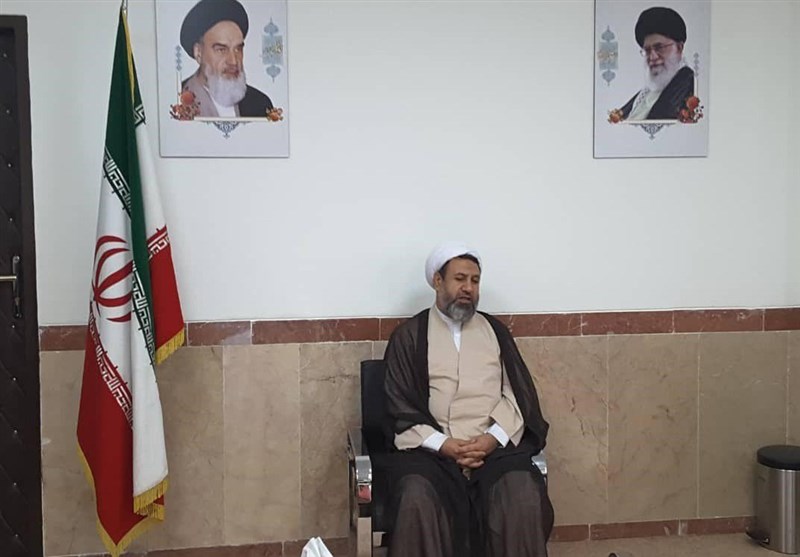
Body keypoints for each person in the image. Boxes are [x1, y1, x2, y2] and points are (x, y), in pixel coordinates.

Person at [383, 242, 553, 557]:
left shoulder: (495, 332)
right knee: (415, 496)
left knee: (521, 494)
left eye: (475, 281)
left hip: (493, 452)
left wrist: (492, 439)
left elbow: (517, 396)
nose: (468, 288)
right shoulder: (410, 335)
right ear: (438, 281)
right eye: (460, 279)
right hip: (430, 452)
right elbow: (399, 406)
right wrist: (443, 444)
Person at [179, 0, 273, 118]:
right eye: (221, 50)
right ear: (198, 53)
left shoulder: (260, 104)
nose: (233, 61)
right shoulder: (177, 102)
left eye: (238, 49)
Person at [616, 6, 694, 121]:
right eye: (647, 50)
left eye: (659, 48)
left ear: (679, 48)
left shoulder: (688, 84)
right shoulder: (645, 94)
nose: (652, 57)